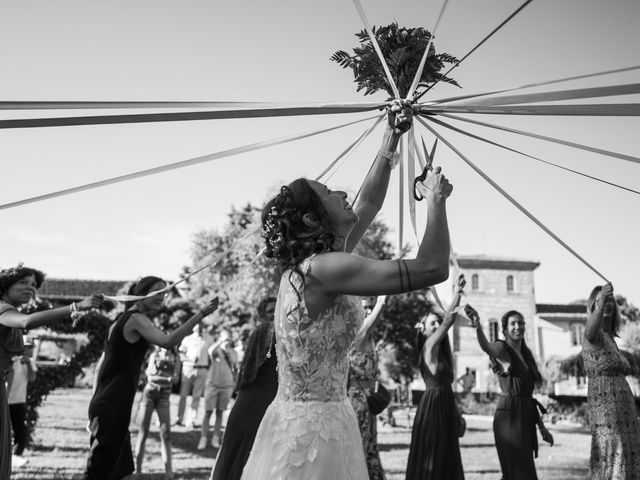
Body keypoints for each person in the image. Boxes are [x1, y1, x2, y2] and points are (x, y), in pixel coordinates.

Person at [240, 100, 453, 480]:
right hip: (315, 436)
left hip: (317, 419)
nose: (341, 193)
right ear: (311, 217)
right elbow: (432, 268)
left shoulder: (314, 265)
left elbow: (368, 202)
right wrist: (436, 198)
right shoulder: (324, 268)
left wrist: (391, 137)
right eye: (328, 193)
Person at [85, 276, 218, 480]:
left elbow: (102, 364)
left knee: (123, 473)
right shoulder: (135, 319)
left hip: (109, 403)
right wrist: (201, 314)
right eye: (157, 292)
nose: (162, 297)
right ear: (141, 293)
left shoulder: (121, 319)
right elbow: (167, 341)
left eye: (165, 293)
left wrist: (94, 401)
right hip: (112, 404)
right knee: (98, 472)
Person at [0, 264, 103, 476]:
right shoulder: (1, 309)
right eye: (23, 283)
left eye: (33, 285)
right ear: (5, 285)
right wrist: (75, 307)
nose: (30, 288)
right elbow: (27, 321)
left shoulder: (10, 313)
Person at [464, 305, 553, 480]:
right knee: (518, 472)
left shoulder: (527, 355)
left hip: (525, 415)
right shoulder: (502, 348)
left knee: (520, 471)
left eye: (521, 323)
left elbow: (529, 398)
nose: (517, 327)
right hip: (509, 416)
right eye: (513, 324)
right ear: (504, 329)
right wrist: (478, 326)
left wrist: (542, 428)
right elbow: (487, 347)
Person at [210, 296, 278, 480]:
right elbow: (249, 367)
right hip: (253, 394)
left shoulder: (283, 331)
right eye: (270, 311)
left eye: (276, 309)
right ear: (263, 314)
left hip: (274, 394)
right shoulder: (263, 330)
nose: (274, 313)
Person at [405, 274, 466, 480]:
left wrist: (457, 414)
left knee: (446, 456)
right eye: (432, 324)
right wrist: (457, 293)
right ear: (423, 331)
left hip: (446, 404)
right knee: (434, 453)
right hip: (433, 406)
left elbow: (447, 387)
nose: (436, 325)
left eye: (436, 322)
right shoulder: (428, 347)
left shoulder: (444, 356)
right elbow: (449, 320)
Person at [582, 283, 640, 479]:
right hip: (607, 412)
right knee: (614, 453)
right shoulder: (593, 336)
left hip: (626, 412)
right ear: (592, 306)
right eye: (599, 301)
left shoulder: (611, 339)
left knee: (627, 453)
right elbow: (590, 331)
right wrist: (602, 300)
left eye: (609, 302)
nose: (606, 304)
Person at [347, 295, 387, 480]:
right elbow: (381, 306)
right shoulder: (358, 332)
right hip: (358, 401)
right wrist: (382, 298)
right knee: (361, 448)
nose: (369, 312)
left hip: (368, 400)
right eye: (365, 308)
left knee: (370, 448)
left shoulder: (369, 338)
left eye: (370, 308)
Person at [134, 341, 181, 479]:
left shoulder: (176, 358)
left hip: (164, 397)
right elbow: (150, 376)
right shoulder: (155, 355)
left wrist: (167, 377)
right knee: (143, 431)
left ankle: (169, 471)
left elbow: (177, 380)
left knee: (166, 434)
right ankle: (138, 470)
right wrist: (168, 377)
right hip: (149, 394)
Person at [198, 328, 238, 450]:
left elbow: (235, 365)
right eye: (223, 337)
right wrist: (220, 342)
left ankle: (216, 438)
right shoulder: (216, 350)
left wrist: (228, 350)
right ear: (220, 338)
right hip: (212, 384)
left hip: (227, 385)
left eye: (228, 338)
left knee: (220, 412)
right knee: (208, 412)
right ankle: (203, 438)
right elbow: (210, 351)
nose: (226, 340)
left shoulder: (233, 352)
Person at [7, 338, 37, 468]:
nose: (28, 350)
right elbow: (8, 379)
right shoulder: (10, 359)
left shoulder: (29, 362)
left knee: (21, 432)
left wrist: (28, 364)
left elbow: (32, 378)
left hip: (19, 401)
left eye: (31, 347)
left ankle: (15, 455)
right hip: (5, 401)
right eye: (26, 347)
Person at [175, 323, 212, 428]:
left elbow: (212, 354)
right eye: (197, 324)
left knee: (197, 396)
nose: (199, 327)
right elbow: (181, 354)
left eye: (201, 324)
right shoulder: (187, 339)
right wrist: (189, 359)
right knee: (183, 395)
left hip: (202, 369)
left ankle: (191, 420)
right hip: (188, 368)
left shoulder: (208, 339)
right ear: (193, 327)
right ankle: (179, 418)